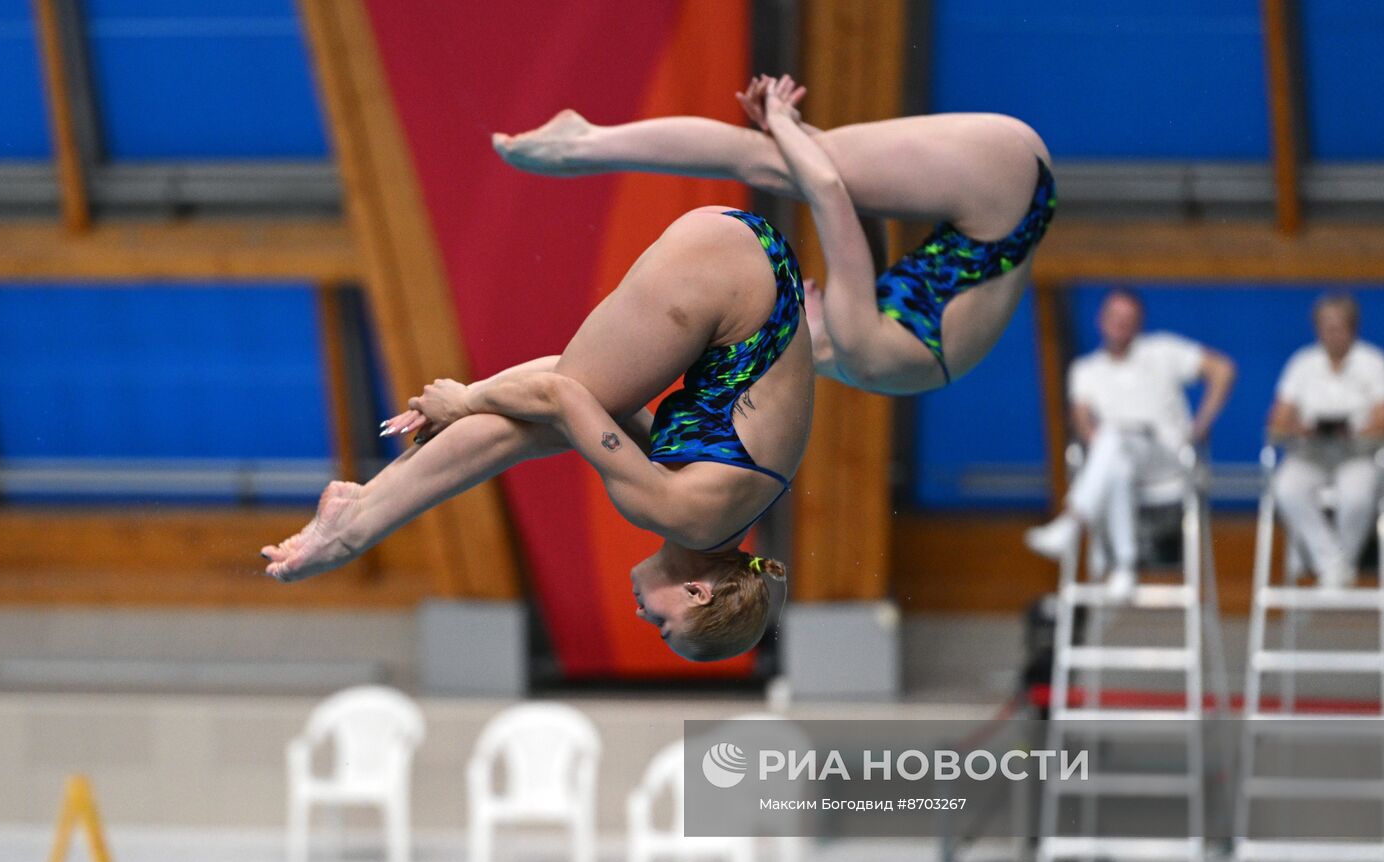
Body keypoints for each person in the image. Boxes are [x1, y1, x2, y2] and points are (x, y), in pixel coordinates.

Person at [261, 201, 812, 662]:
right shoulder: (678, 515)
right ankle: (354, 528)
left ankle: (362, 511)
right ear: (696, 591)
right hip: (725, 274)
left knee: (546, 428)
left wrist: (473, 402)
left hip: (752, 254)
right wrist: (464, 399)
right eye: (663, 625)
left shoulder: (720, 512)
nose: (643, 614)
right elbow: (562, 393)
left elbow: (579, 401)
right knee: (533, 426)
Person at [493, 75, 1055, 395]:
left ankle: (587, 143)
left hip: (1010, 195)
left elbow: (852, 205)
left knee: (778, 161)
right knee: (757, 159)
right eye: (794, 305)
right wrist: (785, 124)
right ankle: (585, 145)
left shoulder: (874, 353)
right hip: (996, 184)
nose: (804, 291)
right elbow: (830, 192)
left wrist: (797, 136)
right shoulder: (860, 347)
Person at [1024, 288, 1236, 600]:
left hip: (1168, 459)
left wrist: (1201, 425)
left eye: (1129, 318)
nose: (1121, 324)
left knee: (1113, 441)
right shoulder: (1085, 369)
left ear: (1139, 322)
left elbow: (1223, 369)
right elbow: (1081, 415)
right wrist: (1103, 447)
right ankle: (1125, 565)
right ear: (1101, 320)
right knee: (1116, 456)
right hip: (1117, 463)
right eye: (1115, 317)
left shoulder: (1162, 350)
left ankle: (1072, 523)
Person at [1268, 292, 1384, 587]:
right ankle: (1330, 562)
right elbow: (1278, 420)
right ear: (1317, 328)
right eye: (1327, 326)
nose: (1333, 333)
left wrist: (1354, 431)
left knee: (1357, 494)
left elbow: (1381, 417)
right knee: (1286, 487)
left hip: (1357, 454)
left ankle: (1341, 564)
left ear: (1353, 328)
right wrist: (1299, 427)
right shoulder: (1302, 364)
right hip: (1310, 453)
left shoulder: (1373, 363)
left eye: (1339, 326)